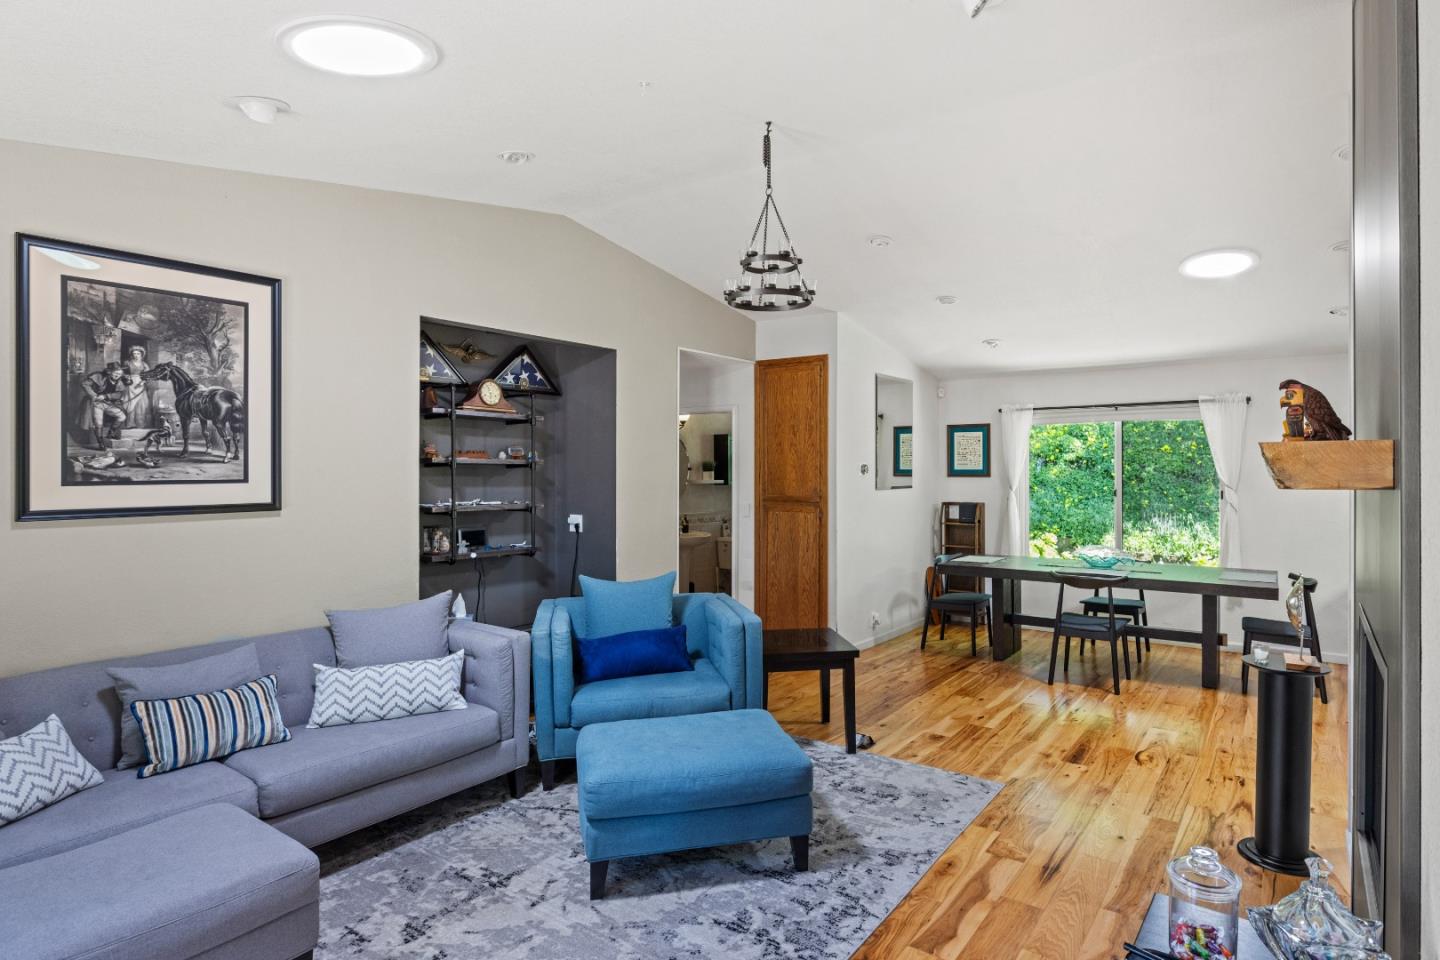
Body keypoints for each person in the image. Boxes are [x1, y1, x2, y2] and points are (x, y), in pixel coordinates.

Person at [76, 362, 128, 449]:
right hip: (96, 403)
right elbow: (84, 384)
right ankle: (101, 443)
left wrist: (106, 396)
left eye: (119, 374)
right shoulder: (99, 376)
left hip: (109, 403)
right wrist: (94, 395)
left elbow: (119, 394)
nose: (117, 375)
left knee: (122, 416)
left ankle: (111, 433)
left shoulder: (119, 382)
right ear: (109, 372)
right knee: (98, 423)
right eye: (115, 372)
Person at [121, 345, 154, 428]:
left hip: (140, 384)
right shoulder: (127, 363)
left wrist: (143, 381)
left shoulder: (144, 364)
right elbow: (121, 373)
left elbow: (148, 375)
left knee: (140, 404)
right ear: (132, 355)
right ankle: (130, 424)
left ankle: (140, 424)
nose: (136, 355)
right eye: (134, 353)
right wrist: (126, 377)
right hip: (130, 384)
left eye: (138, 354)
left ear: (141, 355)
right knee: (130, 403)